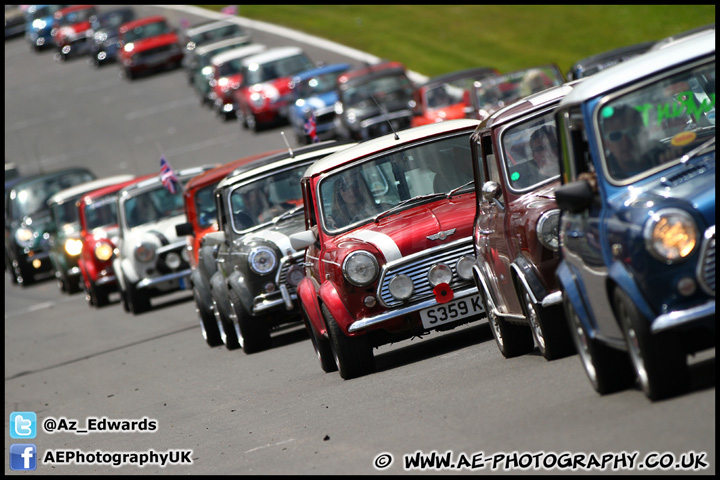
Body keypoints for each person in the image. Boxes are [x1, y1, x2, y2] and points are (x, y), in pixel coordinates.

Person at [602, 104, 659, 179]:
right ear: (607, 144)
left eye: (633, 132)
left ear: (645, 134)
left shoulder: (663, 159)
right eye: (615, 136)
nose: (626, 142)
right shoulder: (604, 178)